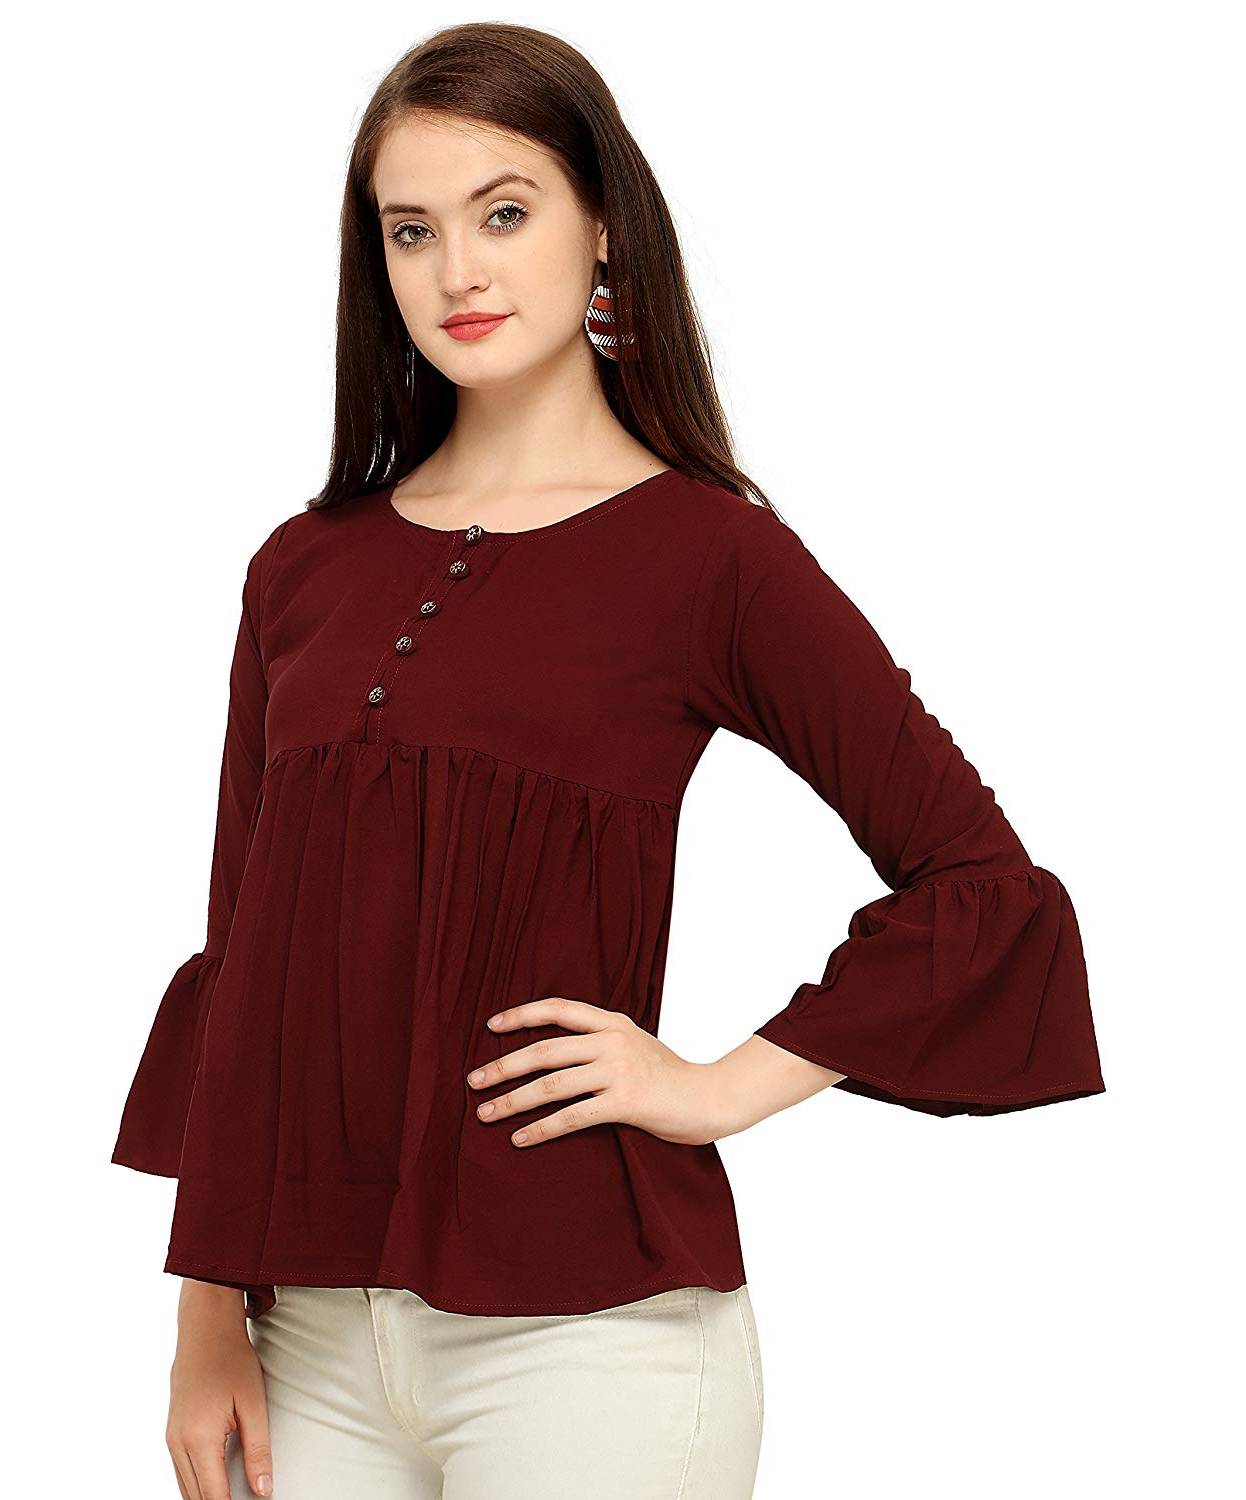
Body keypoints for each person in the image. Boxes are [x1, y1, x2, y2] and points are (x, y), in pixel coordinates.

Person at [110, 22, 1106, 1500]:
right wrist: (206, 1319)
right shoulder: (299, 569)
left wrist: (717, 1086)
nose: (459, 271)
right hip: (306, 1340)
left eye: (504, 213)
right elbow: (247, 957)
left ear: (601, 232)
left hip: (590, 1346)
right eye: (411, 231)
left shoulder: (712, 557)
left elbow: (981, 882)